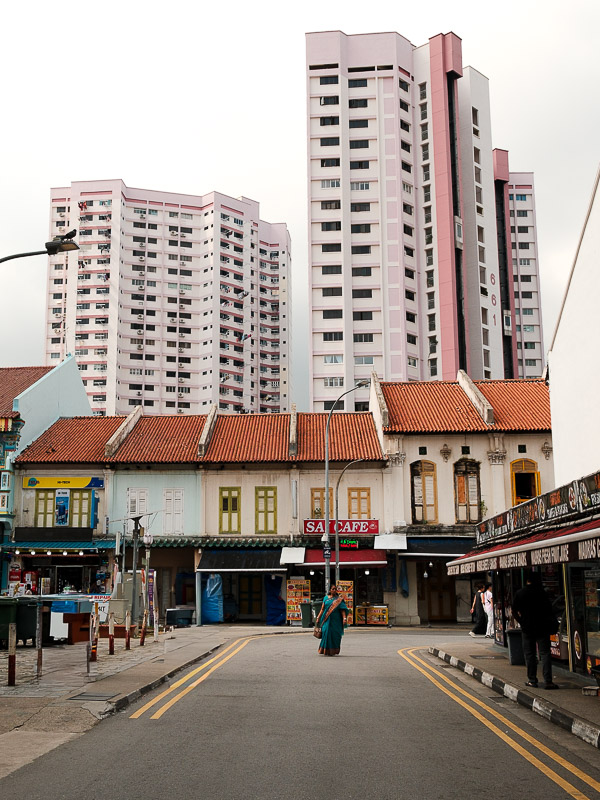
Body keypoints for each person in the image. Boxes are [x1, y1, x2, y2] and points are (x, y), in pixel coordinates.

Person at [512, 572, 559, 690]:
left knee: (530, 654)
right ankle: (548, 681)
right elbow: (550, 609)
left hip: (527, 628)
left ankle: (532, 680)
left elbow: (514, 610)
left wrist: (521, 621)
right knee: (545, 653)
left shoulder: (521, 593)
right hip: (543, 627)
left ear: (527, 580)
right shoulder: (542, 593)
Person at [315, 584, 348, 656]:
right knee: (326, 632)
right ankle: (324, 650)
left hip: (336, 620)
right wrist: (318, 617)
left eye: (335, 589)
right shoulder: (326, 598)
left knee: (335, 635)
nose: (334, 590)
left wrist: (344, 618)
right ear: (330, 590)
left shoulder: (339, 600)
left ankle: (333, 650)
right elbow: (322, 609)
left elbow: (343, 610)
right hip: (326, 619)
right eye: (332, 589)